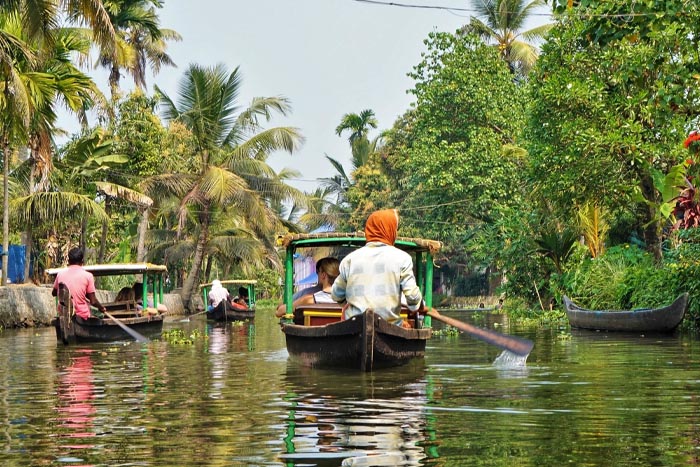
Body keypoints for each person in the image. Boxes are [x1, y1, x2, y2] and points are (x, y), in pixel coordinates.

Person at [331, 209, 423, 328]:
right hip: (390, 329)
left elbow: (336, 295)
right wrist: (417, 306)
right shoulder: (402, 259)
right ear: (390, 230)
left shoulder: (349, 260)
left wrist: (348, 303)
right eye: (395, 229)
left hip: (354, 327)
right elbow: (412, 297)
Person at [52, 247, 107, 319]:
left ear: (69, 261)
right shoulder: (88, 276)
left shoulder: (60, 274)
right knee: (98, 316)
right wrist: (101, 308)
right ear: (82, 261)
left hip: (63, 314)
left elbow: (54, 293)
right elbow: (93, 301)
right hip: (81, 315)